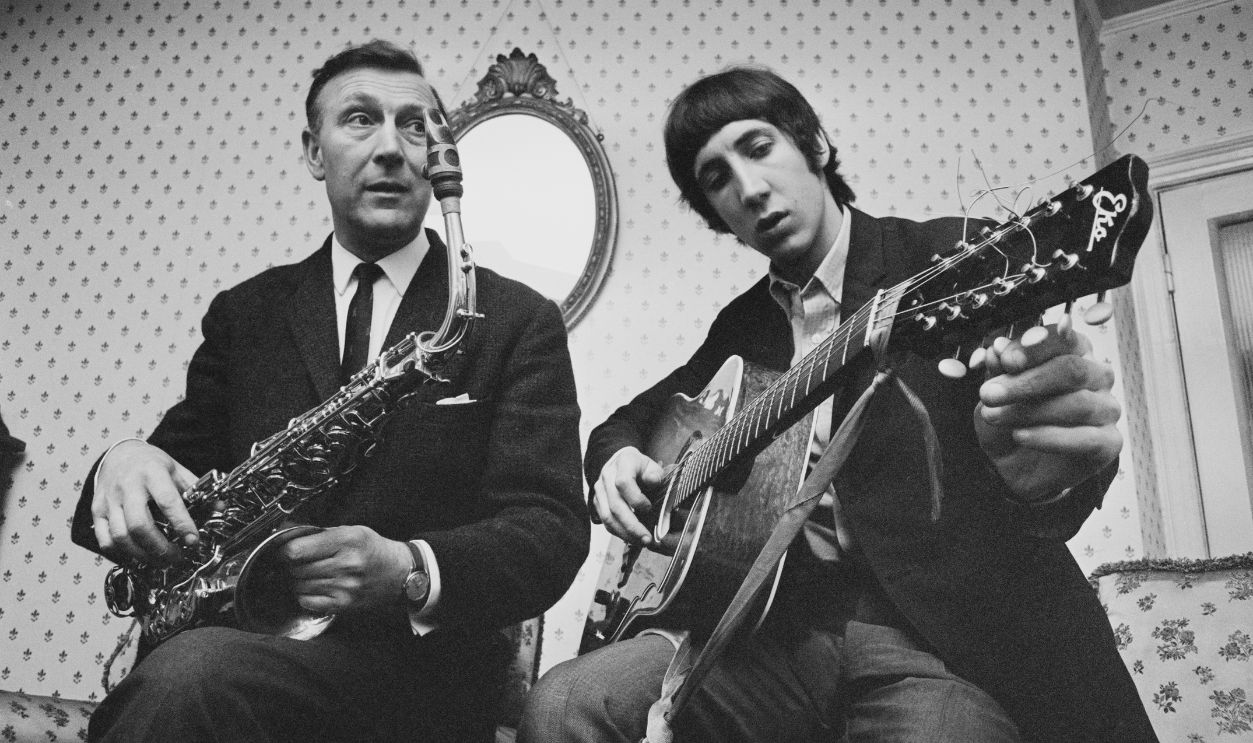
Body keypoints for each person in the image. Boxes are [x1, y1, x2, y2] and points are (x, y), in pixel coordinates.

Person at [518, 67, 1156, 742]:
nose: (748, 187)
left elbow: (1046, 451)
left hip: (928, 640)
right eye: (716, 179)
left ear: (814, 145)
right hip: (768, 636)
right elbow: (632, 420)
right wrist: (614, 459)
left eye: (757, 147)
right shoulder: (740, 329)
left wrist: (1046, 477)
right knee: (565, 704)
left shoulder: (947, 258)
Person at [71, 39, 588, 743]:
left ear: (438, 157)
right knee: (186, 674)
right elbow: (168, 477)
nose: (391, 148)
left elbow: (550, 529)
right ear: (314, 152)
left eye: (414, 124)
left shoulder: (517, 320)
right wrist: (124, 462)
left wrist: (410, 569)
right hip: (230, 653)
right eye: (359, 120)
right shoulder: (245, 312)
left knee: (187, 677)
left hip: (412, 686)